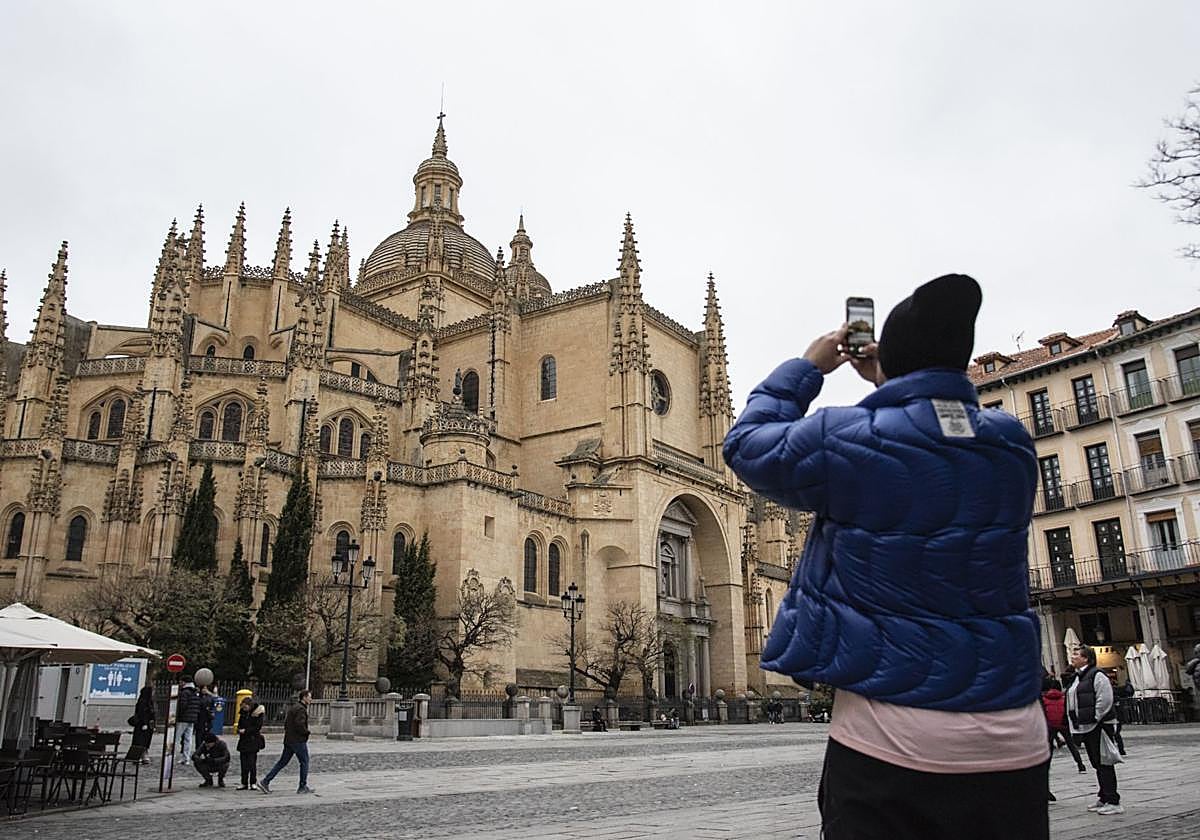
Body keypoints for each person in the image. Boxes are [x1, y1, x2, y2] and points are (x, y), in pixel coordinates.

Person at [723, 275, 1050, 839]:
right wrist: (896, 378)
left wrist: (809, 368)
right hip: (1013, 738)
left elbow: (747, 444)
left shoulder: (851, 440)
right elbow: (937, 441)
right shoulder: (1010, 444)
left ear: (891, 354)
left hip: (891, 739)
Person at [1067, 645, 1123, 815]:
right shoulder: (1078, 677)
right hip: (1086, 725)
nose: (1072, 656)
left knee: (1104, 762)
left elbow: (1105, 698)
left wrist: (1096, 717)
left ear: (1086, 658)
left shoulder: (1097, 675)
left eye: (1076, 654)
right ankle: (1104, 796)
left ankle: (1113, 800)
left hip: (1098, 725)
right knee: (1097, 762)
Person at [259, 689, 312, 794]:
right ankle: (302, 786)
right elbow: (299, 724)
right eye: (309, 697)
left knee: (282, 762)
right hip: (298, 740)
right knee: (304, 762)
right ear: (304, 697)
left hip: (289, 739)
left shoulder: (294, 708)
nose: (311, 699)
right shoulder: (301, 709)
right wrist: (306, 732)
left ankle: (266, 781)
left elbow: (287, 723)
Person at [1041, 676, 1086, 774]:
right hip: (1063, 724)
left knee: (1048, 747)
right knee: (1071, 745)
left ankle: (1046, 768)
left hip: (1051, 725)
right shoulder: (1063, 698)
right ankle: (1080, 765)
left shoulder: (1045, 699)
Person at [236, 695, 266, 790]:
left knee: (252, 763)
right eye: (243, 707)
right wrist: (239, 730)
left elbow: (257, 727)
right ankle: (243, 782)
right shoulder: (243, 713)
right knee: (243, 763)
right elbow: (240, 724)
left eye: (245, 706)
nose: (244, 708)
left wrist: (246, 731)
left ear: (249, 705)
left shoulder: (258, 714)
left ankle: (253, 782)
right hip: (243, 741)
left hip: (253, 740)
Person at [175, 676, 201, 761]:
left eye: (181, 682)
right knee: (188, 739)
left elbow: (182, 705)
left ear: (184, 682)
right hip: (192, 718)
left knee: (177, 737)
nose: (180, 683)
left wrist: (178, 715)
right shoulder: (195, 692)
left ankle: (172, 755)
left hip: (183, 718)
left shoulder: (184, 692)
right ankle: (186, 757)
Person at [130, 683, 156, 765]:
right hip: (141, 725)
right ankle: (138, 756)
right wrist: (144, 723)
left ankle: (144, 755)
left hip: (148, 725)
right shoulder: (142, 701)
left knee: (146, 741)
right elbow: (141, 713)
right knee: (140, 741)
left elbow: (152, 714)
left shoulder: (150, 702)